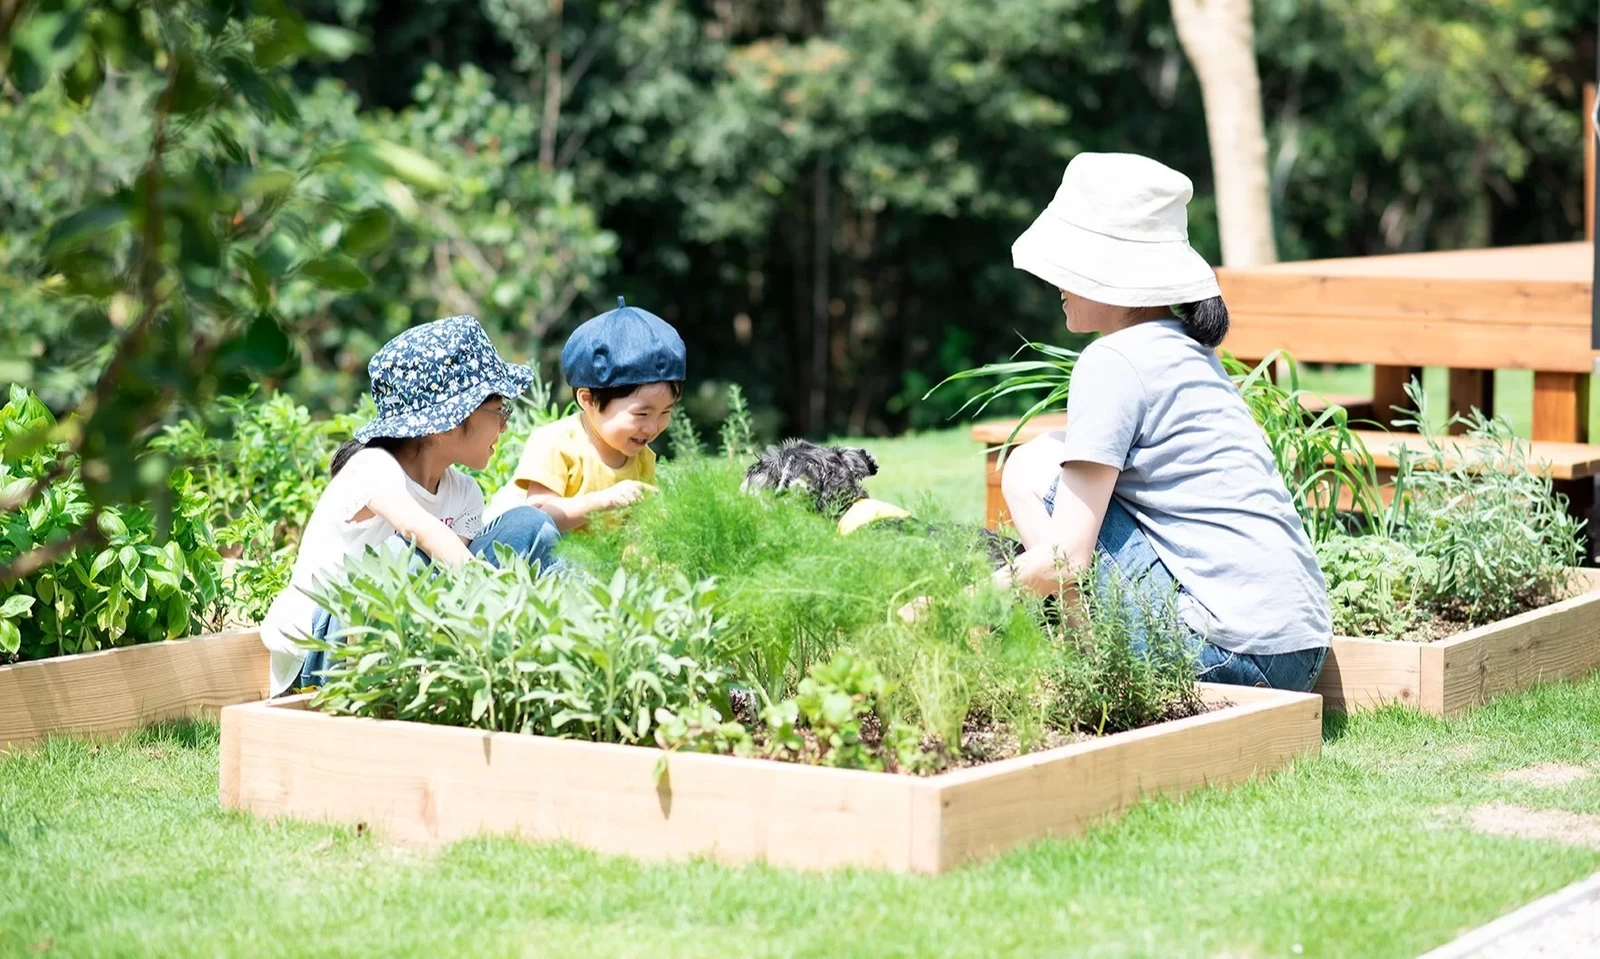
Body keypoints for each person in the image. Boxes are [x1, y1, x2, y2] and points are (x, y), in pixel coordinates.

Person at [995, 152, 1332, 692]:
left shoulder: (1112, 360)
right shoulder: (1186, 349)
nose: (1054, 280)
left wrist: (953, 604)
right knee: (1048, 456)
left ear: (1105, 269)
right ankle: (1088, 656)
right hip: (1301, 650)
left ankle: (1090, 665)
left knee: (1030, 466)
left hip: (1230, 655)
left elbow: (1067, 560)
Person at [260, 315, 561, 696]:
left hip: (399, 634)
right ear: (451, 420)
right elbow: (420, 531)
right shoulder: (371, 467)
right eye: (500, 411)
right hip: (326, 641)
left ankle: (556, 647)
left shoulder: (465, 492)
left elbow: (457, 582)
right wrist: (499, 595)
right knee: (408, 559)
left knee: (528, 523)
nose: (505, 426)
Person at [485, 297, 685, 531]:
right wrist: (604, 501)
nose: (652, 427)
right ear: (588, 399)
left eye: (665, 412)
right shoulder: (556, 444)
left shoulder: (643, 458)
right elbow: (537, 518)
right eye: (641, 414)